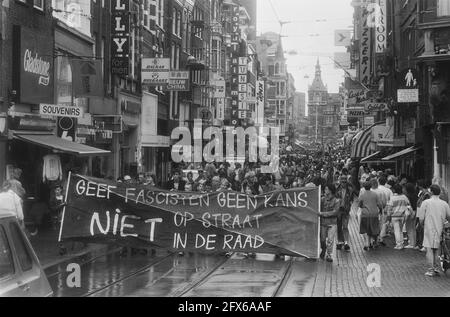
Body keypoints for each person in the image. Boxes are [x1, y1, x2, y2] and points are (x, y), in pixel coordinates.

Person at [418, 185, 450, 277]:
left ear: (431, 192)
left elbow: (421, 218)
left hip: (429, 228)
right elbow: (449, 217)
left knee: (429, 249)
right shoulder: (444, 204)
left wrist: (422, 225)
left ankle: (431, 269)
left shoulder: (426, 202)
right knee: (436, 249)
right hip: (440, 229)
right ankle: (436, 268)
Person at [386, 184, 412, 250]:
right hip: (403, 216)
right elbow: (408, 204)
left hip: (395, 216)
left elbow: (389, 208)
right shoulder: (404, 197)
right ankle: (402, 243)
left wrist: (388, 217)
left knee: (396, 230)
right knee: (400, 230)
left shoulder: (392, 198)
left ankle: (398, 244)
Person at [359, 181, 382, 250]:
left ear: (364, 187)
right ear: (371, 186)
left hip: (365, 214)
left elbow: (359, 204)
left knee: (366, 229)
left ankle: (367, 244)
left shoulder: (362, 195)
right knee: (374, 228)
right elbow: (379, 204)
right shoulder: (375, 194)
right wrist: (380, 210)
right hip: (374, 214)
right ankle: (374, 242)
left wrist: (363, 206)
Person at [319, 184, 340, 262]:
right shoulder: (322, 199)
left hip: (332, 223)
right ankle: (323, 249)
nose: (325, 190)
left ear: (330, 190)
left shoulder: (337, 201)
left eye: (326, 189)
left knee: (330, 240)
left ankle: (329, 254)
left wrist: (322, 213)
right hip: (323, 223)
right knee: (322, 239)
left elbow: (335, 212)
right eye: (325, 189)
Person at [335, 175, 354, 252]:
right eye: (342, 181)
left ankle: (346, 242)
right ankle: (340, 242)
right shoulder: (336, 189)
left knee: (345, 227)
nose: (343, 183)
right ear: (340, 181)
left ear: (347, 182)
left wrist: (349, 206)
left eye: (345, 182)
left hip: (346, 211)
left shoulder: (350, 190)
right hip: (338, 211)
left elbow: (352, 200)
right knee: (339, 227)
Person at [416, 179, 431, 252]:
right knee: (420, 229)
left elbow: (424, 204)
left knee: (422, 229)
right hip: (420, 212)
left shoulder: (426, 194)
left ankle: (423, 245)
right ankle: (421, 244)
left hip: (423, 213)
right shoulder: (423, 193)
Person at [377, 176, 393, 246]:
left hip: (376, 208)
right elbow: (391, 200)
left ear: (378, 181)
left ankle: (376, 237)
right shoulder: (388, 190)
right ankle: (381, 237)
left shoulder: (376, 189)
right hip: (386, 208)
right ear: (385, 182)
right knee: (383, 223)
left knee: (377, 222)